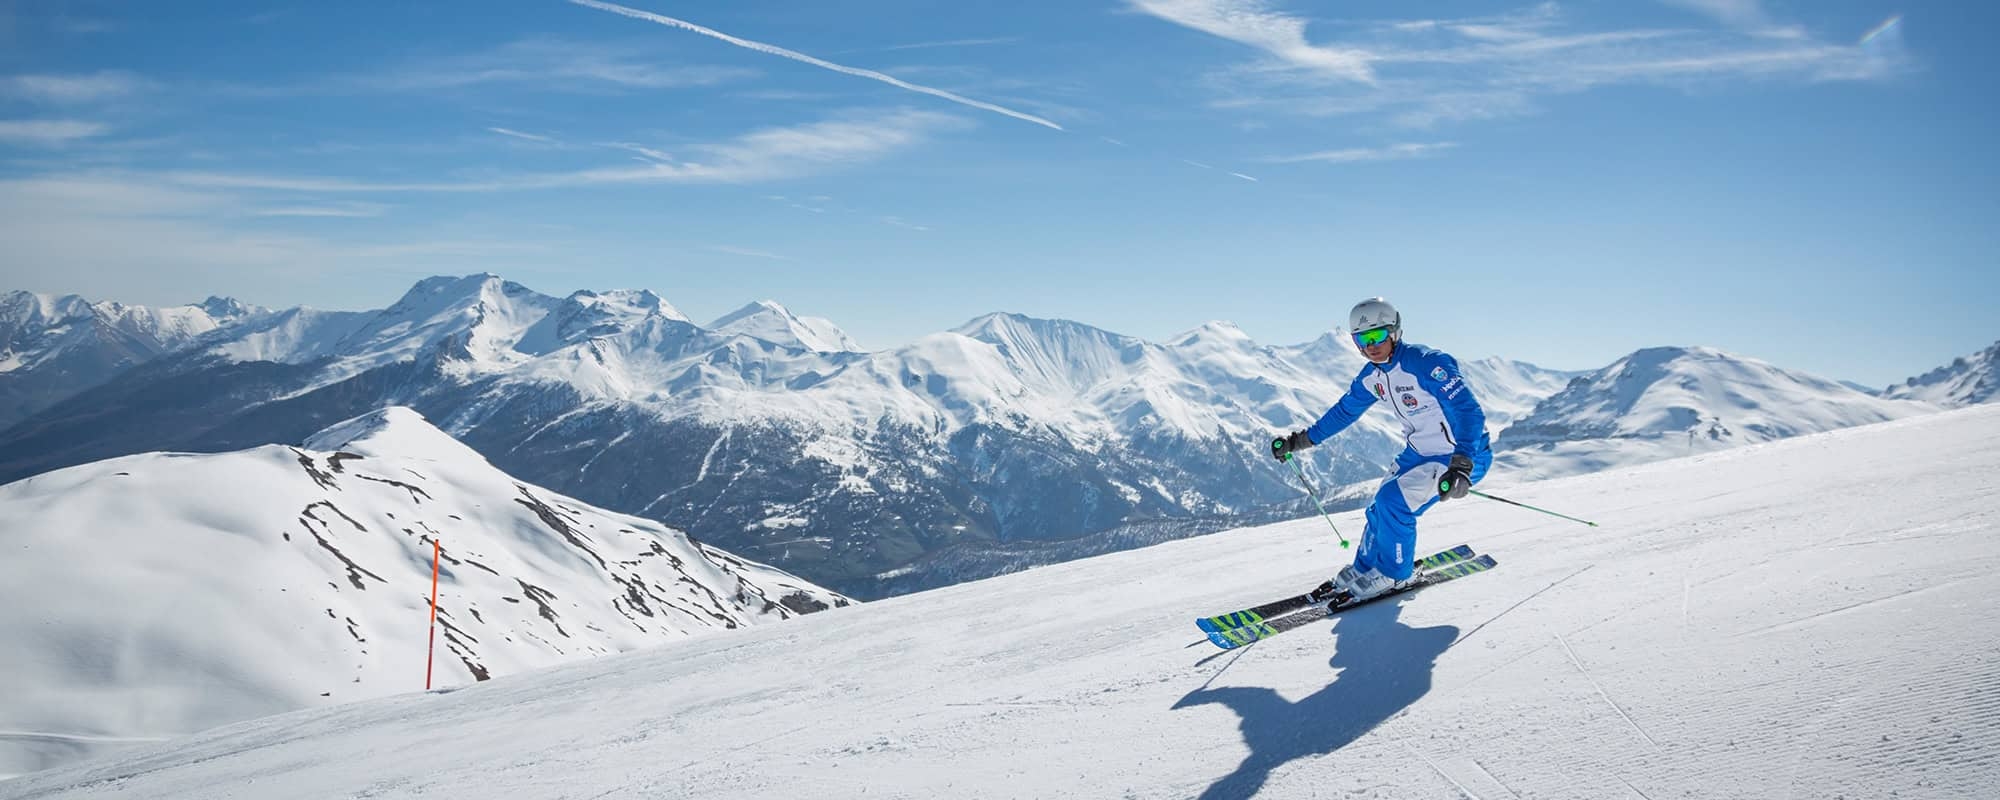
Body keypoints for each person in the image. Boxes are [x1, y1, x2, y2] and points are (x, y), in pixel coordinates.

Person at [1270, 297, 1492, 603]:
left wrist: (1463, 463)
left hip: (1459, 454)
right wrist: (1301, 441)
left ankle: (1396, 575)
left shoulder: (1427, 363)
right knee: (1378, 508)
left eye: (1377, 335)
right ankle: (1366, 567)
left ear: (1394, 332)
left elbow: (1469, 412)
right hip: (1419, 452)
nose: (1371, 345)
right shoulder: (1372, 376)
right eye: (1363, 338)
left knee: (1393, 504)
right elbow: (1344, 412)